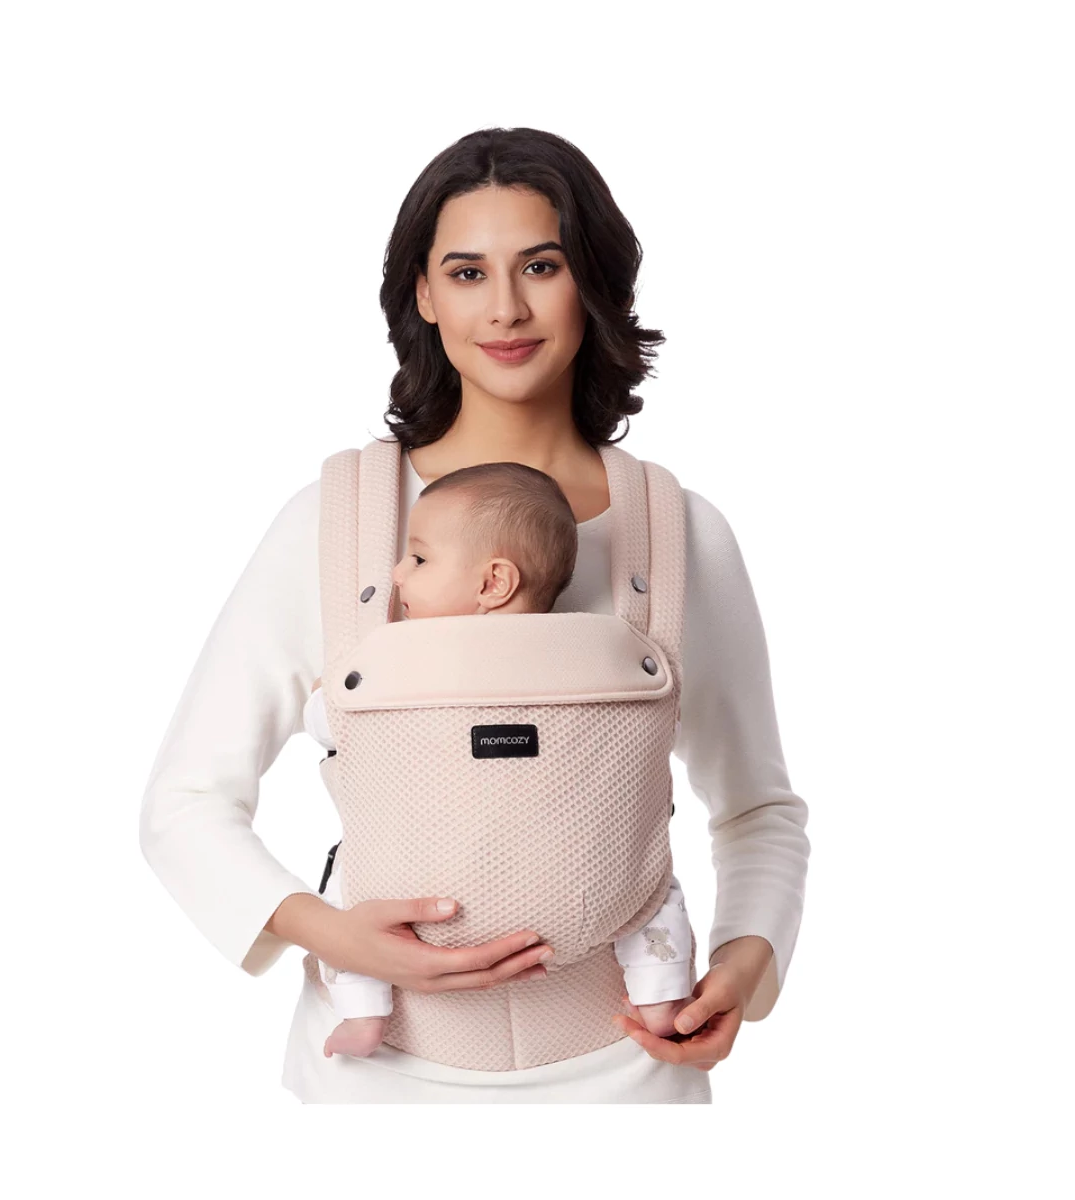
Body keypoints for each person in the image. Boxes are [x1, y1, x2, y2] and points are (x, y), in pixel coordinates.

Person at [139, 126, 811, 1103]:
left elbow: (757, 810)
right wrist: (335, 937)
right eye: (466, 272)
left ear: (591, 281)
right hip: (373, 1091)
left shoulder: (678, 534)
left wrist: (745, 969)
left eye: (541, 265)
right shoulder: (337, 525)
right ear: (423, 294)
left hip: (631, 1082)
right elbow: (185, 804)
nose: (504, 308)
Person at [300, 460, 696, 1060]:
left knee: (349, 893)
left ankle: (362, 1012)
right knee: (653, 893)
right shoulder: (605, 658)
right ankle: (661, 997)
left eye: (419, 559)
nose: (397, 573)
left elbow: (333, 726)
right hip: (594, 897)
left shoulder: (395, 659)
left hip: (415, 901)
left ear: (494, 583)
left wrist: (318, 701)